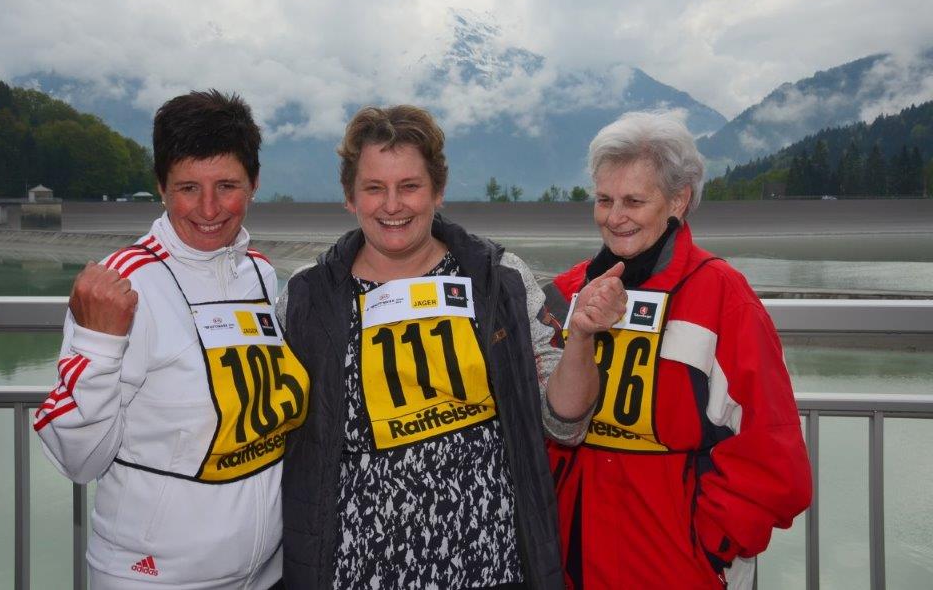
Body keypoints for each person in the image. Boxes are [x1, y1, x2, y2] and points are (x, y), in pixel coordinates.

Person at [275, 105, 625, 589]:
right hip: (358, 572)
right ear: (350, 197)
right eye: (374, 188)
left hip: (493, 568)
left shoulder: (498, 280)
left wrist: (581, 336)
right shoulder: (306, 299)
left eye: (409, 186)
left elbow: (564, 423)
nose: (392, 205)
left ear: (437, 191)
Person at [35, 90, 304, 589]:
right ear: (161, 187)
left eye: (227, 185)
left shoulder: (260, 274)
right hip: (155, 577)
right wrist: (97, 344)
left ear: (254, 184)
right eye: (187, 187)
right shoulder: (124, 285)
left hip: (265, 574)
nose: (209, 208)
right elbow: (78, 459)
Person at [543, 111, 812, 589]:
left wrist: (711, 548)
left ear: (678, 200)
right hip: (572, 565)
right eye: (604, 200)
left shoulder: (723, 297)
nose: (614, 217)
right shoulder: (564, 295)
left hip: (679, 568)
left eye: (634, 201)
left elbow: (772, 454)